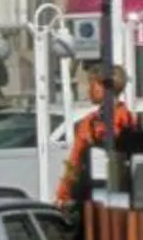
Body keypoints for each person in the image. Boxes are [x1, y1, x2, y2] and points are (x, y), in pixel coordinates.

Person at [56, 65, 135, 207]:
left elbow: (74, 161)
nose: (89, 90)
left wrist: (63, 195)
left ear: (103, 87)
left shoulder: (92, 122)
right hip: (123, 194)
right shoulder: (128, 118)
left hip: (94, 196)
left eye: (92, 85)